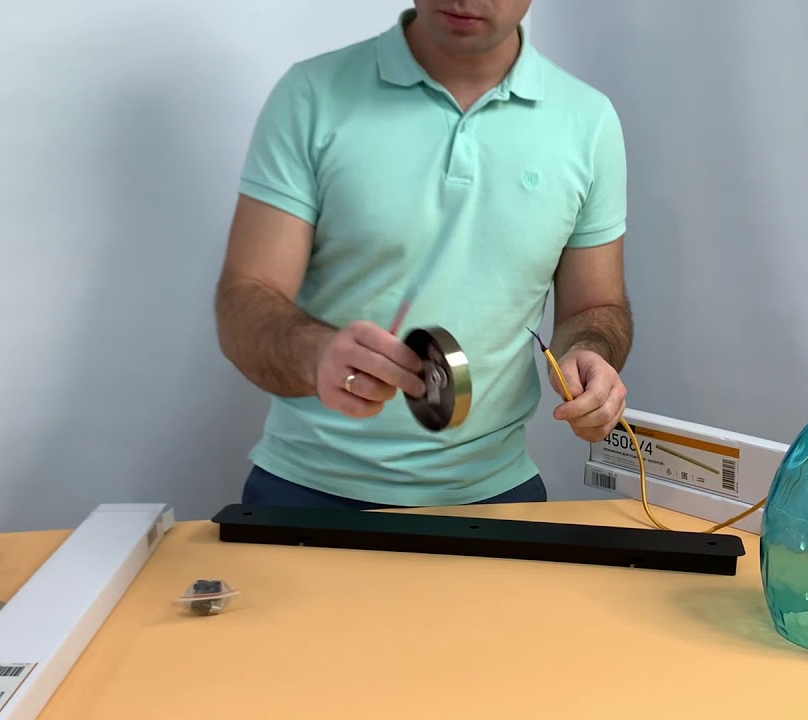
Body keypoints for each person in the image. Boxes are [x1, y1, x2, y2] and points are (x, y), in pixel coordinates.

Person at [214, 0, 633, 511]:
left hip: (495, 496)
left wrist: (590, 355)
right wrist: (315, 354)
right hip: (305, 490)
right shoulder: (311, 94)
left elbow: (594, 307)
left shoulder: (588, 121)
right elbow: (245, 298)